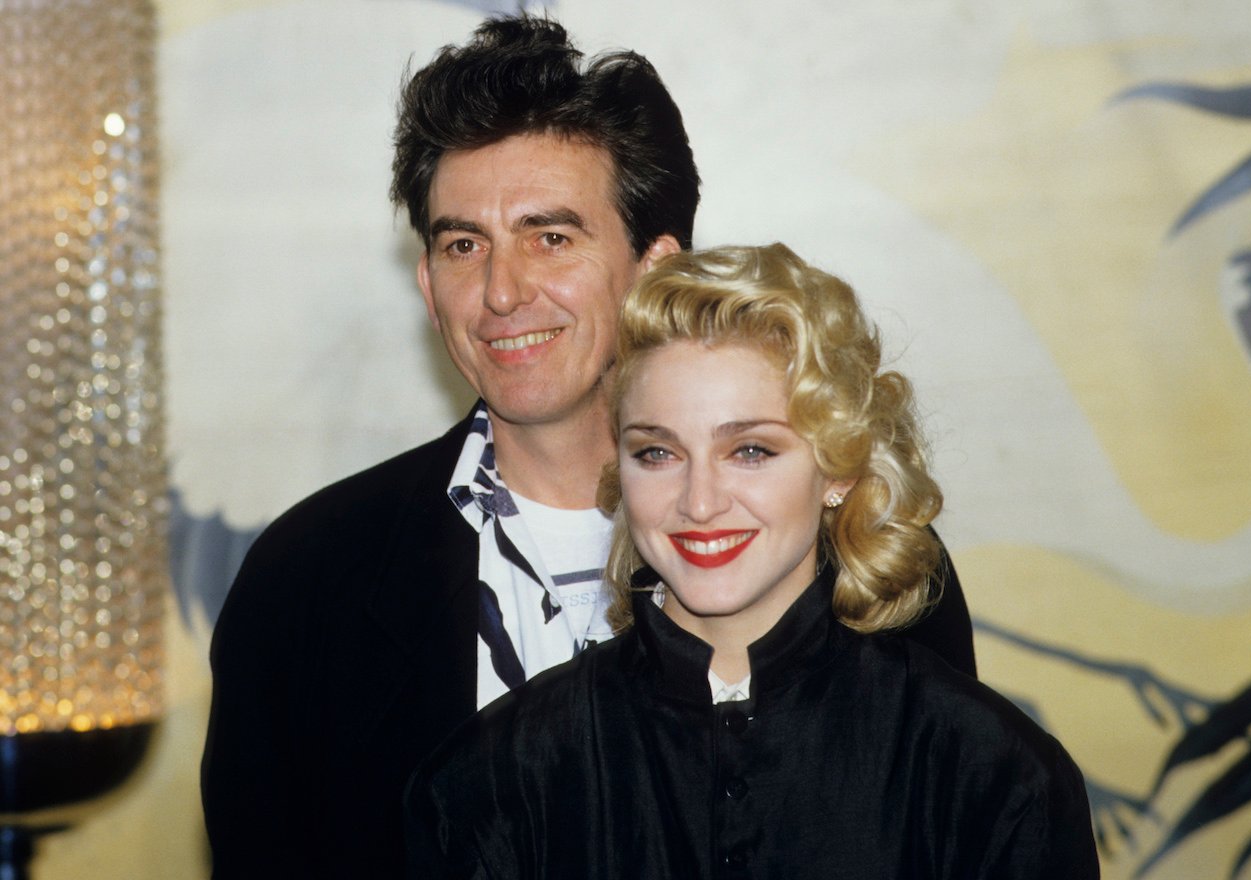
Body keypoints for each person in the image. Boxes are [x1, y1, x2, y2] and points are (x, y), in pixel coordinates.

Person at [201, 15, 976, 878]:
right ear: (427, 283)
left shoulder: (868, 565)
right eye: (464, 244)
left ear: (654, 266)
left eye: (551, 236)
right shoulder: (308, 583)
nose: (501, 291)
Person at [404, 243, 1098, 879]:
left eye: (751, 451)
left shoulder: (994, 776)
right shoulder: (491, 780)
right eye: (658, 452)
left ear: (838, 469)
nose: (699, 502)